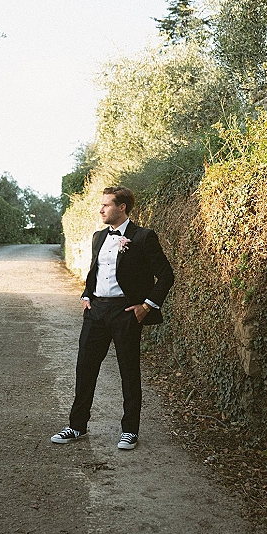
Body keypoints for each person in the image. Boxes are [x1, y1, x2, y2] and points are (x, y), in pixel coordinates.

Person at [52, 186, 173, 450]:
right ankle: (77, 426)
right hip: (96, 312)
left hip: (125, 313)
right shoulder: (98, 237)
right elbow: (95, 270)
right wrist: (87, 295)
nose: (101, 209)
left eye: (106, 205)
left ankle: (130, 430)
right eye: (101, 204)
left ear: (122, 208)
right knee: (85, 368)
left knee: (128, 371)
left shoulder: (143, 237)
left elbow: (166, 275)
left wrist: (146, 306)